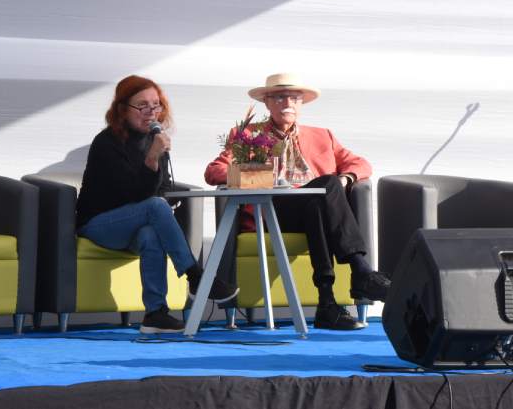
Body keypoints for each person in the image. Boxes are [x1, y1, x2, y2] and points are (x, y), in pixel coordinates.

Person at [204, 73, 390, 330]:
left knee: (319, 200)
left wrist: (347, 177)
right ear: (267, 103)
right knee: (327, 186)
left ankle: (327, 303)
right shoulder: (247, 134)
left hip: (312, 209)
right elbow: (214, 172)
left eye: (294, 98)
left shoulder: (323, 136)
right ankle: (361, 270)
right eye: (280, 97)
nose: (287, 103)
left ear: (302, 104)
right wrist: (259, 175)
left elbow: (361, 164)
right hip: (269, 211)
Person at [77, 75, 238, 334]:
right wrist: (152, 159)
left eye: (156, 105)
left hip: (136, 224)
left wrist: (161, 188)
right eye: (142, 106)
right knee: (154, 207)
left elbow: (159, 190)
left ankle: (155, 313)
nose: (151, 112)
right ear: (122, 110)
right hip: (99, 224)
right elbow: (128, 195)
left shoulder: (156, 140)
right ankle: (195, 275)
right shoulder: (106, 143)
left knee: (151, 234)